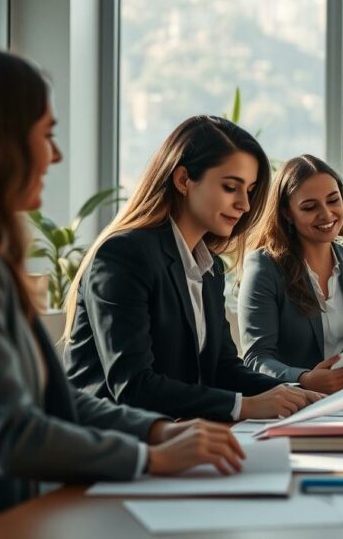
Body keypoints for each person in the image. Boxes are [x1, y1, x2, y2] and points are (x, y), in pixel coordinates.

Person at [0, 44, 247, 535]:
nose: (55, 155)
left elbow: (56, 399)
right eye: (46, 135)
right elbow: (11, 433)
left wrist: (158, 431)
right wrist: (151, 458)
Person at [63, 116, 321, 421]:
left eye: (250, 190)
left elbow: (223, 369)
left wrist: (295, 393)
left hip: (178, 432)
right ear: (183, 179)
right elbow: (134, 387)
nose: (245, 205)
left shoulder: (209, 269)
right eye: (230, 187)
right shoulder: (124, 255)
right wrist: (245, 406)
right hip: (110, 439)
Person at [240, 155, 343, 393]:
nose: (327, 214)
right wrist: (305, 378)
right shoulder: (264, 267)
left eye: (333, 200)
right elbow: (256, 358)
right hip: (295, 400)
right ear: (287, 213)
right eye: (310, 207)